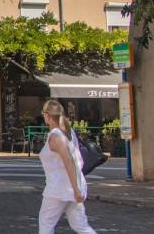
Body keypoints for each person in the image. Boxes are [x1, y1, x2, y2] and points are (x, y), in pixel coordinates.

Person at [39, 99, 96, 234]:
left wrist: (75, 189)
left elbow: (68, 161)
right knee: (80, 226)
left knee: (46, 223)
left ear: (47, 116)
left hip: (59, 187)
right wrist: (76, 189)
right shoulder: (68, 132)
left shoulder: (55, 137)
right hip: (71, 185)